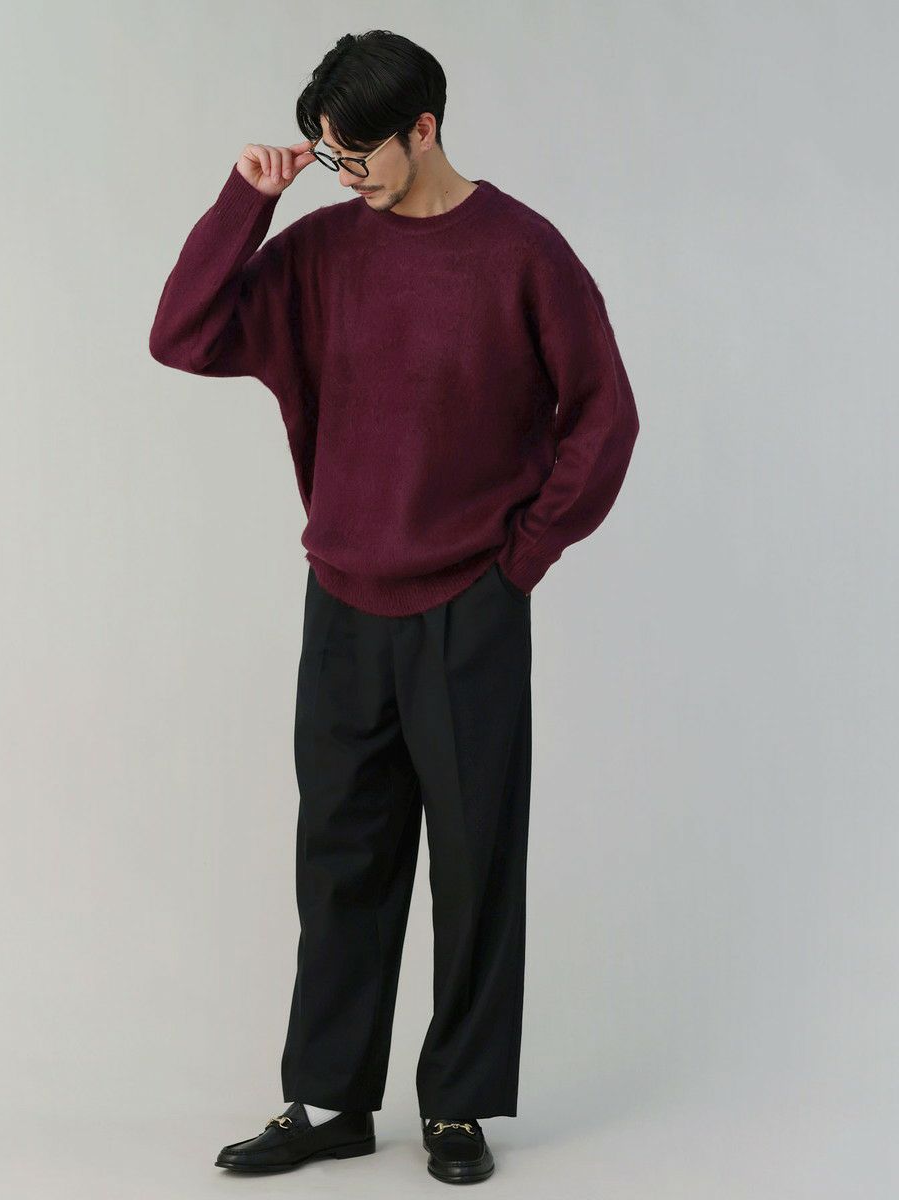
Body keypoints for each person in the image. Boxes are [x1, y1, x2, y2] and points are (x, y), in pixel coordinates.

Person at [149, 29, 639, 1185]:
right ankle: (329, 1102)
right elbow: (181, 334)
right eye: (328, 153)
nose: (345, 172)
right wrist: (247, 200)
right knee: (341, 861)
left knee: (472, 866)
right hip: (342, 602)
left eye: (358, 151)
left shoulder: (521, 253)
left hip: (469, 603)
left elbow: (604, 415)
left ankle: (458, 1108)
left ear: (424, 129)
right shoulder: (321, 251)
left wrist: (521, 559)